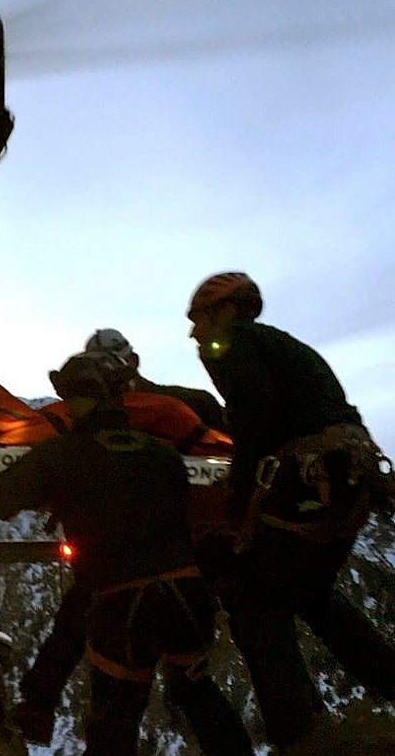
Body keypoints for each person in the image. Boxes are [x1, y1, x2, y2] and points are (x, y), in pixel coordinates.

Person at [0, 352, 251, 754]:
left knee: (113, 722)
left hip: (122, 606)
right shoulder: (164, 456)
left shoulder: (62, 455)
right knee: (198, 694)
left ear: (70, 400)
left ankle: (37, 705)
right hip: (186, 598)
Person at [185, 271, 395, 752]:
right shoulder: (279, 345)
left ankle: (300, 736)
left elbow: (255, 420)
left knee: (257, 601)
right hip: (346, 478)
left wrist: (238, 496)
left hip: (313, 478)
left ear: (225, 311)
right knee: (312, 594)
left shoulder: (232, 344)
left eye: (200, 318)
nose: (195, 332)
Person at [86, 327, 228, 432]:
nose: (108, 373)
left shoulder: (198, 402)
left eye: (113, 364)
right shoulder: (87, 416)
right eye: (100, 367)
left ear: (134, 361)